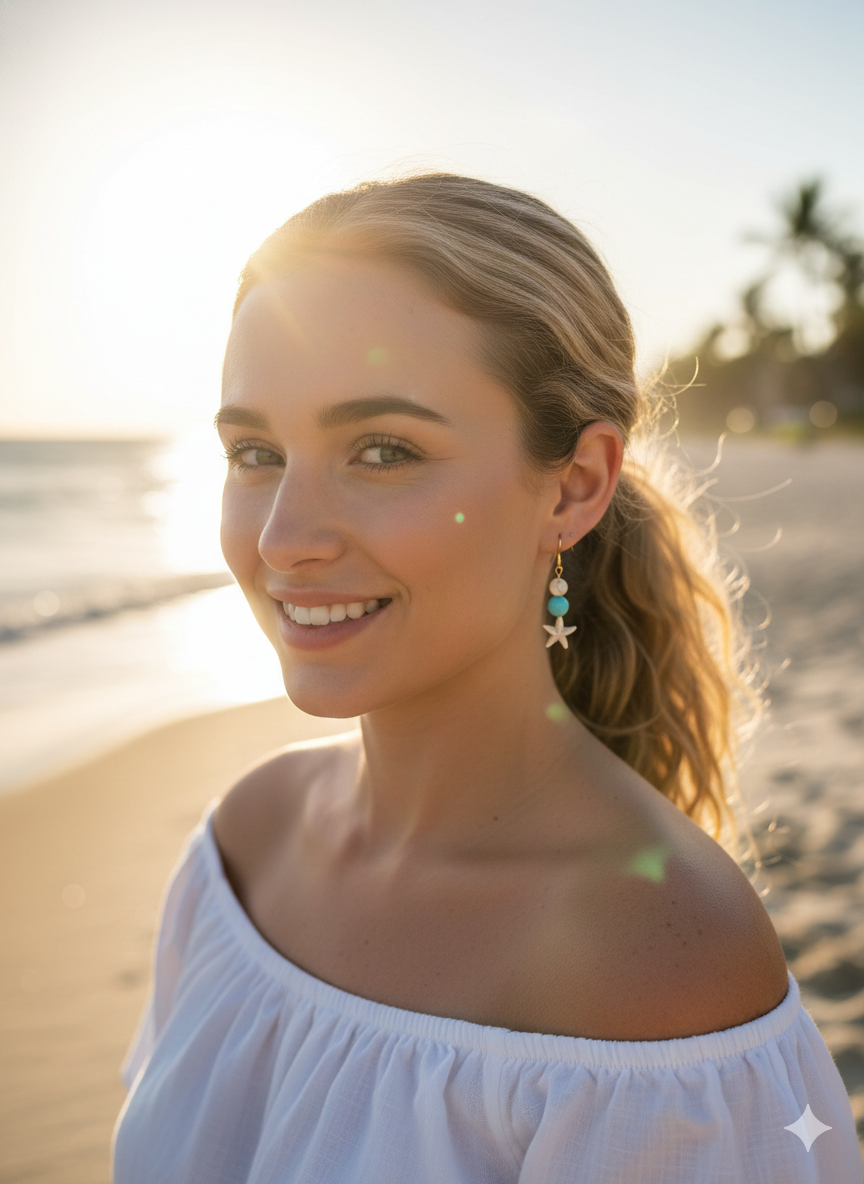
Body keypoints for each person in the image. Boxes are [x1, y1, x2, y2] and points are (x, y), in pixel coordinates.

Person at [112, 174, 862, 1182]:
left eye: (382, 450)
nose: (284, 538)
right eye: (255, 451)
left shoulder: (664, 970)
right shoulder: (241, 846)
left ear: (576, 483)